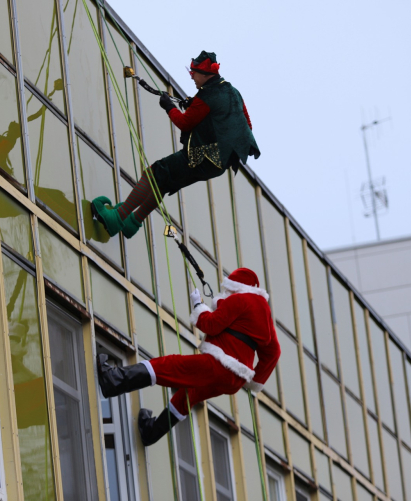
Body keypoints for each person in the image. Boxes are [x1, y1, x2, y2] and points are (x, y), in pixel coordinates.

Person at [97, 268, 280, 446]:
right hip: (236, 379)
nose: (226, 292)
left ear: (237, 286)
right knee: (189, 394)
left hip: (219, 364)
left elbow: (211, 325)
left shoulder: (240, 299)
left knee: (169, 365)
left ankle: (113, 380)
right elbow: (273, 352)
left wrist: (198, 306)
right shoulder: (265, 314)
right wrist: (253, 380)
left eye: (228, 288)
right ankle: (151, 432)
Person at [91, 50, 260, 239]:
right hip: (219, 164)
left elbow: (184, 123)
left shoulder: (208, 96)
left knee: (155, 172)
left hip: (203, 157)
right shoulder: (232, 92)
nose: (192, 78)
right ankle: (133, 222)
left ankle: (117, 217)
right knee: (163, 183)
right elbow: (246, 125)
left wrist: (169, 107)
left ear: (205, 74)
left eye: (193, 73)